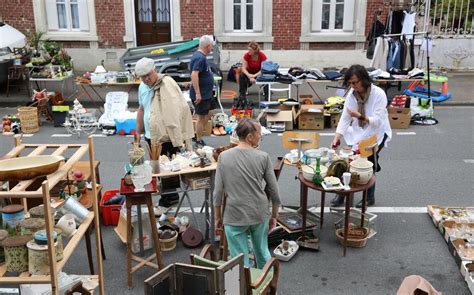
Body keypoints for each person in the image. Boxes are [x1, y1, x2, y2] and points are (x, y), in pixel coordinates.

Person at [213, 118, 281, 269]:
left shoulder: (224, 157)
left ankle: (244, 287)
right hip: (259, 213)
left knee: (239, 259)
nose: (260, 137)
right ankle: (266, 286)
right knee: (262, 252)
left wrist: (218, 217)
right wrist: (274, 216)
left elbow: (217, 193)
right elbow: (274, 191)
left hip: (234, 214)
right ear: (250, 136)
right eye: (259, 134)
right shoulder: (263, 157)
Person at [135, 57, 194, 208]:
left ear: (154, 70)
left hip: (166, 135)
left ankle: (169, 199)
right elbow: (141, 109)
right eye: (143, 77)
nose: (147, 79)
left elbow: (180, 107)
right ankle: (167, 195)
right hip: (151, 135)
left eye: (149, 75)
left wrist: (180, 133)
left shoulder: (167, 83)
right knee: (157, 167)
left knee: (168, 167)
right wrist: (137, 132)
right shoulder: (142, 87)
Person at [330, 64, 392, 208]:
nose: (352, 86)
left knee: (368, 163)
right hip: (359, 133)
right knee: (348, 161)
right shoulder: (352, 95)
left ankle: (369, 197)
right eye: (350, 83)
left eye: (355, 82)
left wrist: (360, 116)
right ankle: (341, 194)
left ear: (364, 80)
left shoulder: (378, 94)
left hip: (377, 133)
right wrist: (337, 137)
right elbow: (345, 118)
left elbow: (377, 121)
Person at [190, 35, 215, 148]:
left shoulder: (201, 57)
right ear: (208, 46)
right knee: (201, 117)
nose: (212, 49)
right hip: (202, 94)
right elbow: (194, 74)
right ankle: (198, 139)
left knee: (209, 113)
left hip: (207, 93)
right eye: (212, 46)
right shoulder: (200, 58)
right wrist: (198, 93)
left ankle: (197, 134)